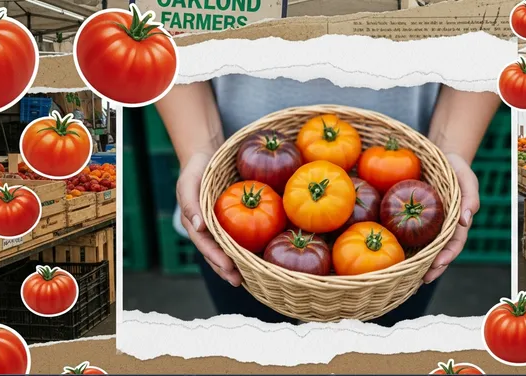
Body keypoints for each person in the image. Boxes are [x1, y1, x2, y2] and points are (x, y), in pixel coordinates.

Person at [156, 75, 500, 326]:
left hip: (409, 186)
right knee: (265, 372)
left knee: (372, 372)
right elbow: (166, 30)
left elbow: (490, 29)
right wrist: (201, 148)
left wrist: (449, 149)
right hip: (231, 190)